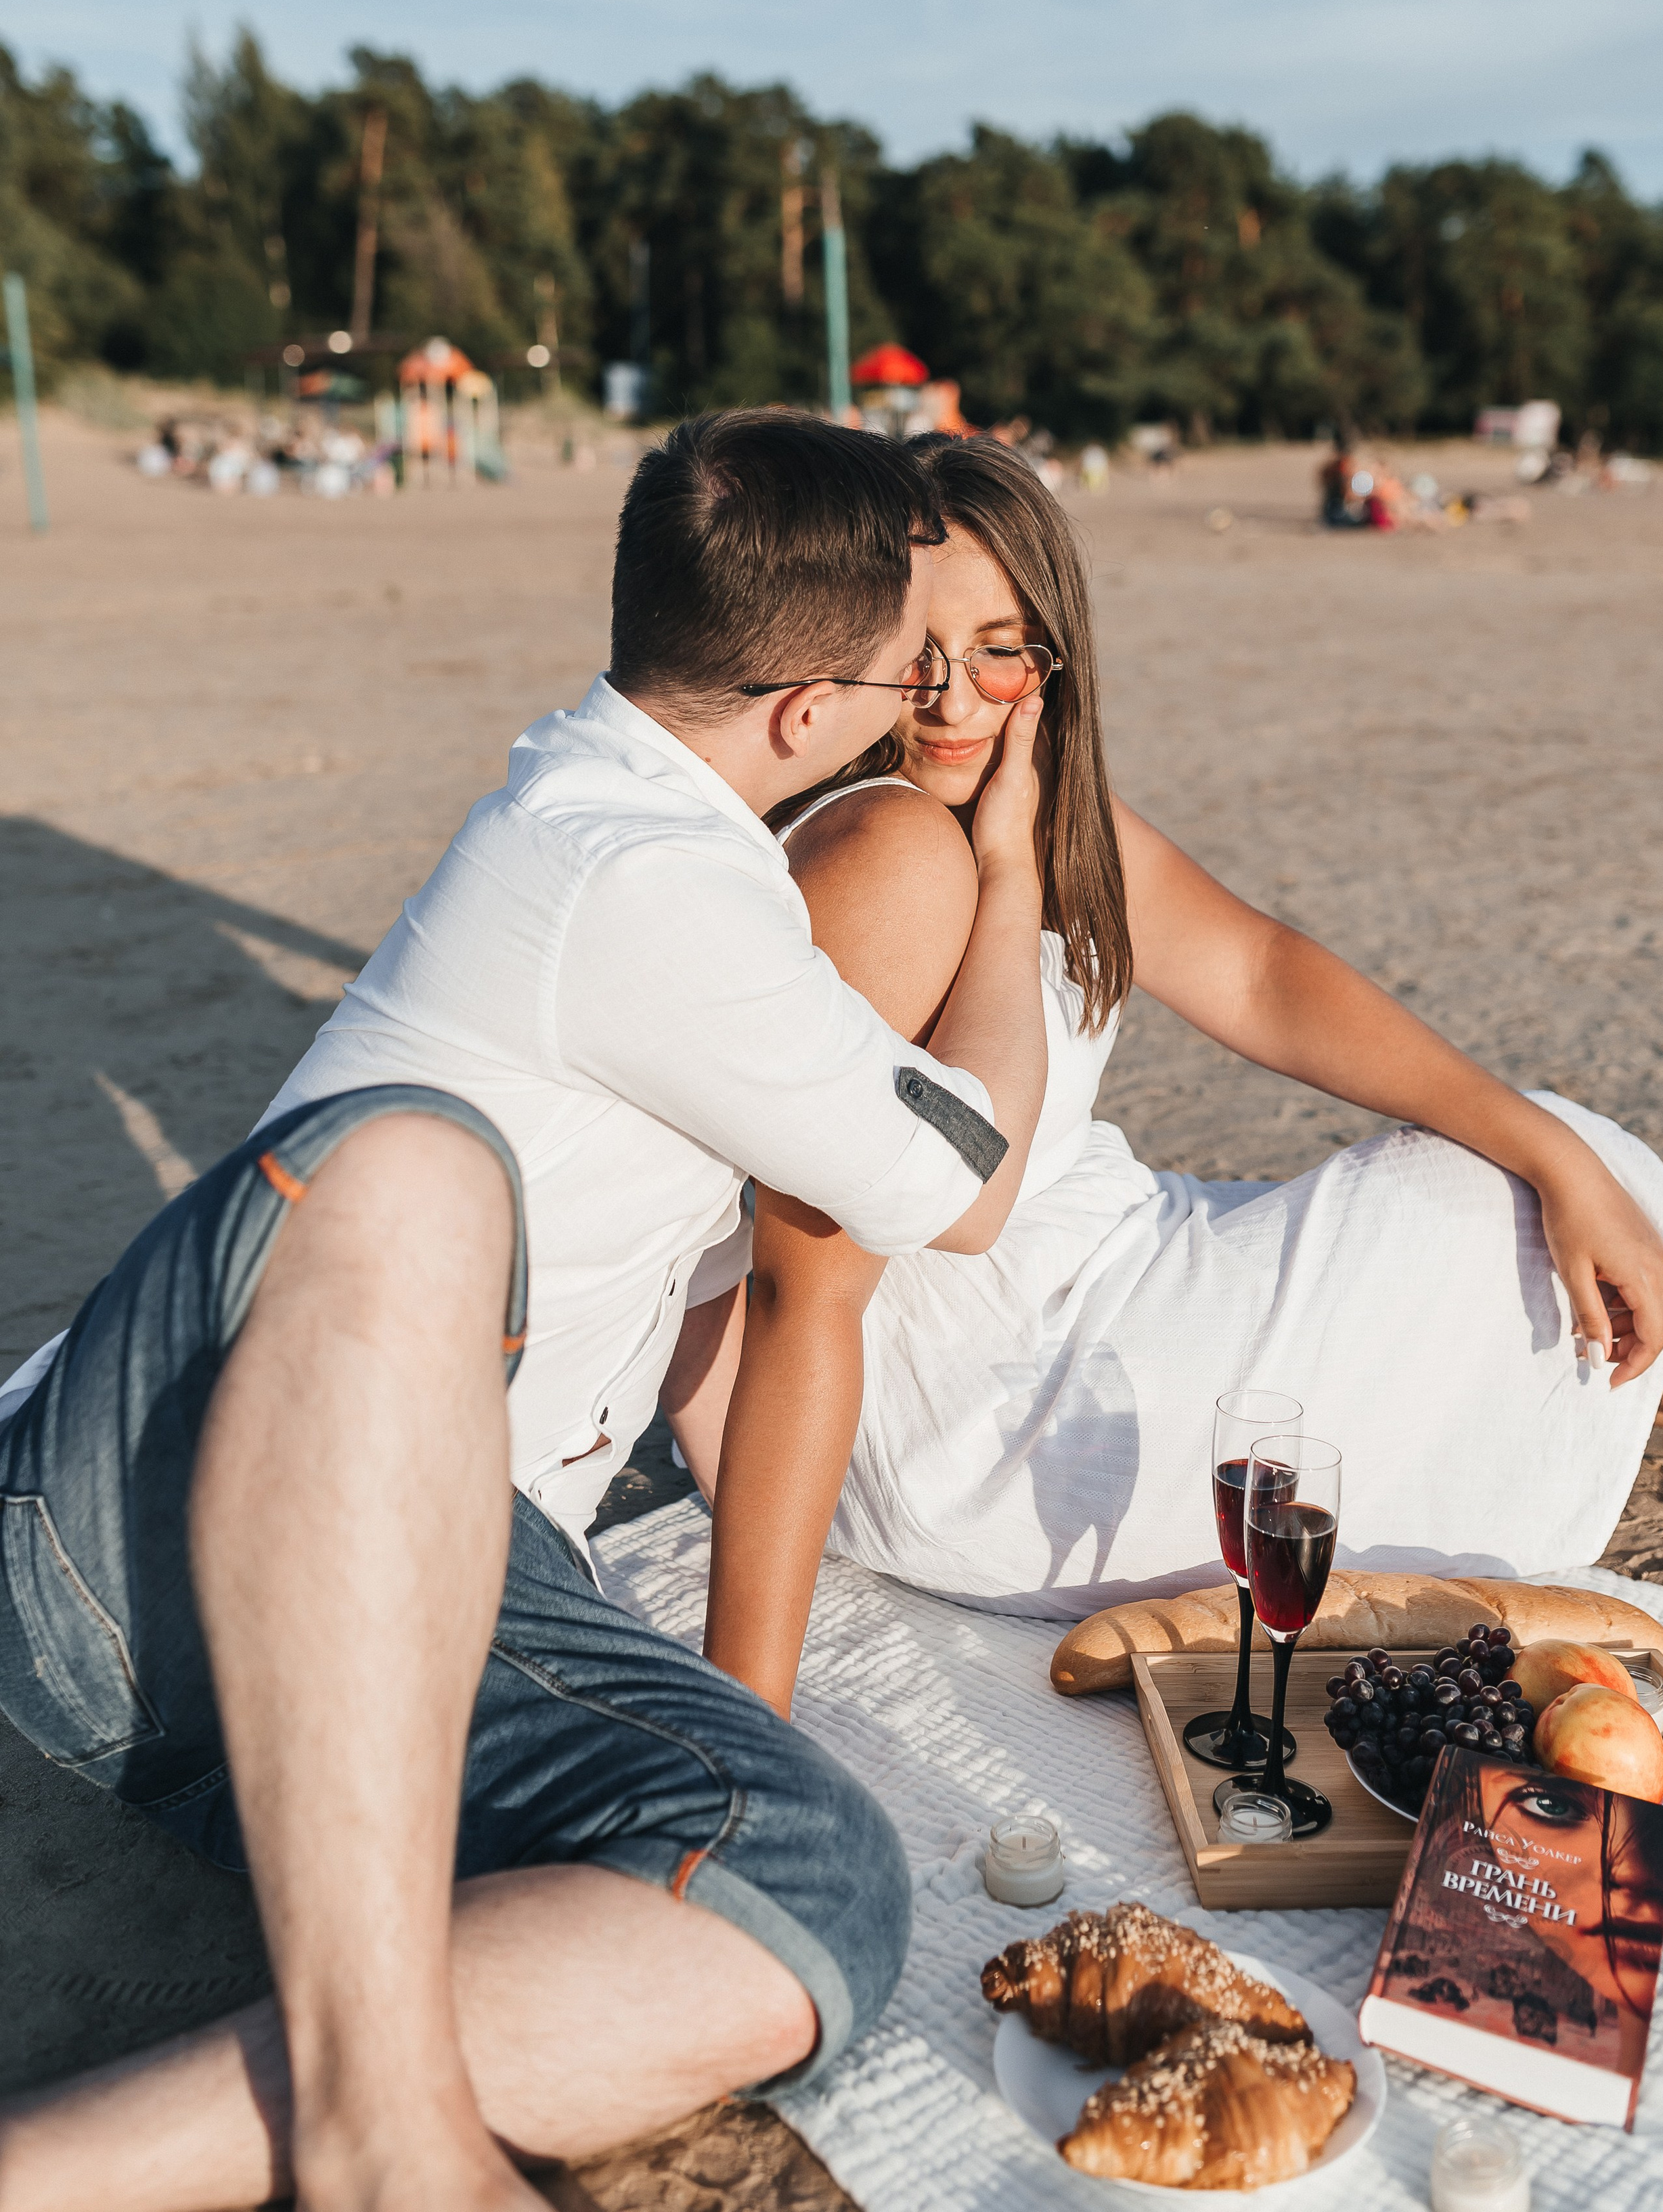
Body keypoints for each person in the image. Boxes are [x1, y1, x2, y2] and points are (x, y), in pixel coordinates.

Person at [0, 412, 1050, 2210]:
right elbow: (970, 1188)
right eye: (906, 670)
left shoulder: (633, 822)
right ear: (803, 716)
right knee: (415, 1176)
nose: (932, 697)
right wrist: (1013, 870)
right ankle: (390, 2139)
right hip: (151, 1529)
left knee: (810, 1891)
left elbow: (734, 1288)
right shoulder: (645, 886)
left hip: (386, 1575)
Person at [686, 434, 1663, 1717]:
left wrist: (1547, 1150)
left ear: (1056, 655)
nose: (955, 700)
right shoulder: (894, 853)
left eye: (1003, 647)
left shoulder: (1020, 806)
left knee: (1533, 1171)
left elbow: (1260, 975)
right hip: (988, 1412)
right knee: (1494, 1219)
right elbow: (807, 1294)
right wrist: (749, 1718)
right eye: (917, 655)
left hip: (1100, 1272)